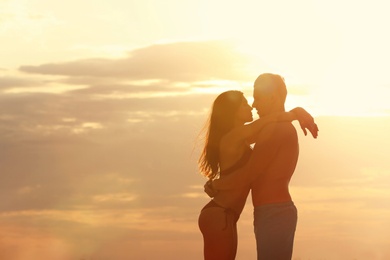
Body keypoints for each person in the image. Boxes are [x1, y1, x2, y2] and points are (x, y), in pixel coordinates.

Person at [198, 89, 318, 260]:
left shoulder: (240, 138)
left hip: (224, 214)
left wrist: (216, 184)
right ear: (234, 112)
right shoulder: (235, 136)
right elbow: (272, 119)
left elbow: (268, 127)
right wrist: (297, 112)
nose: (251, 107)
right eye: (245, 104)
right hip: (220, 214)